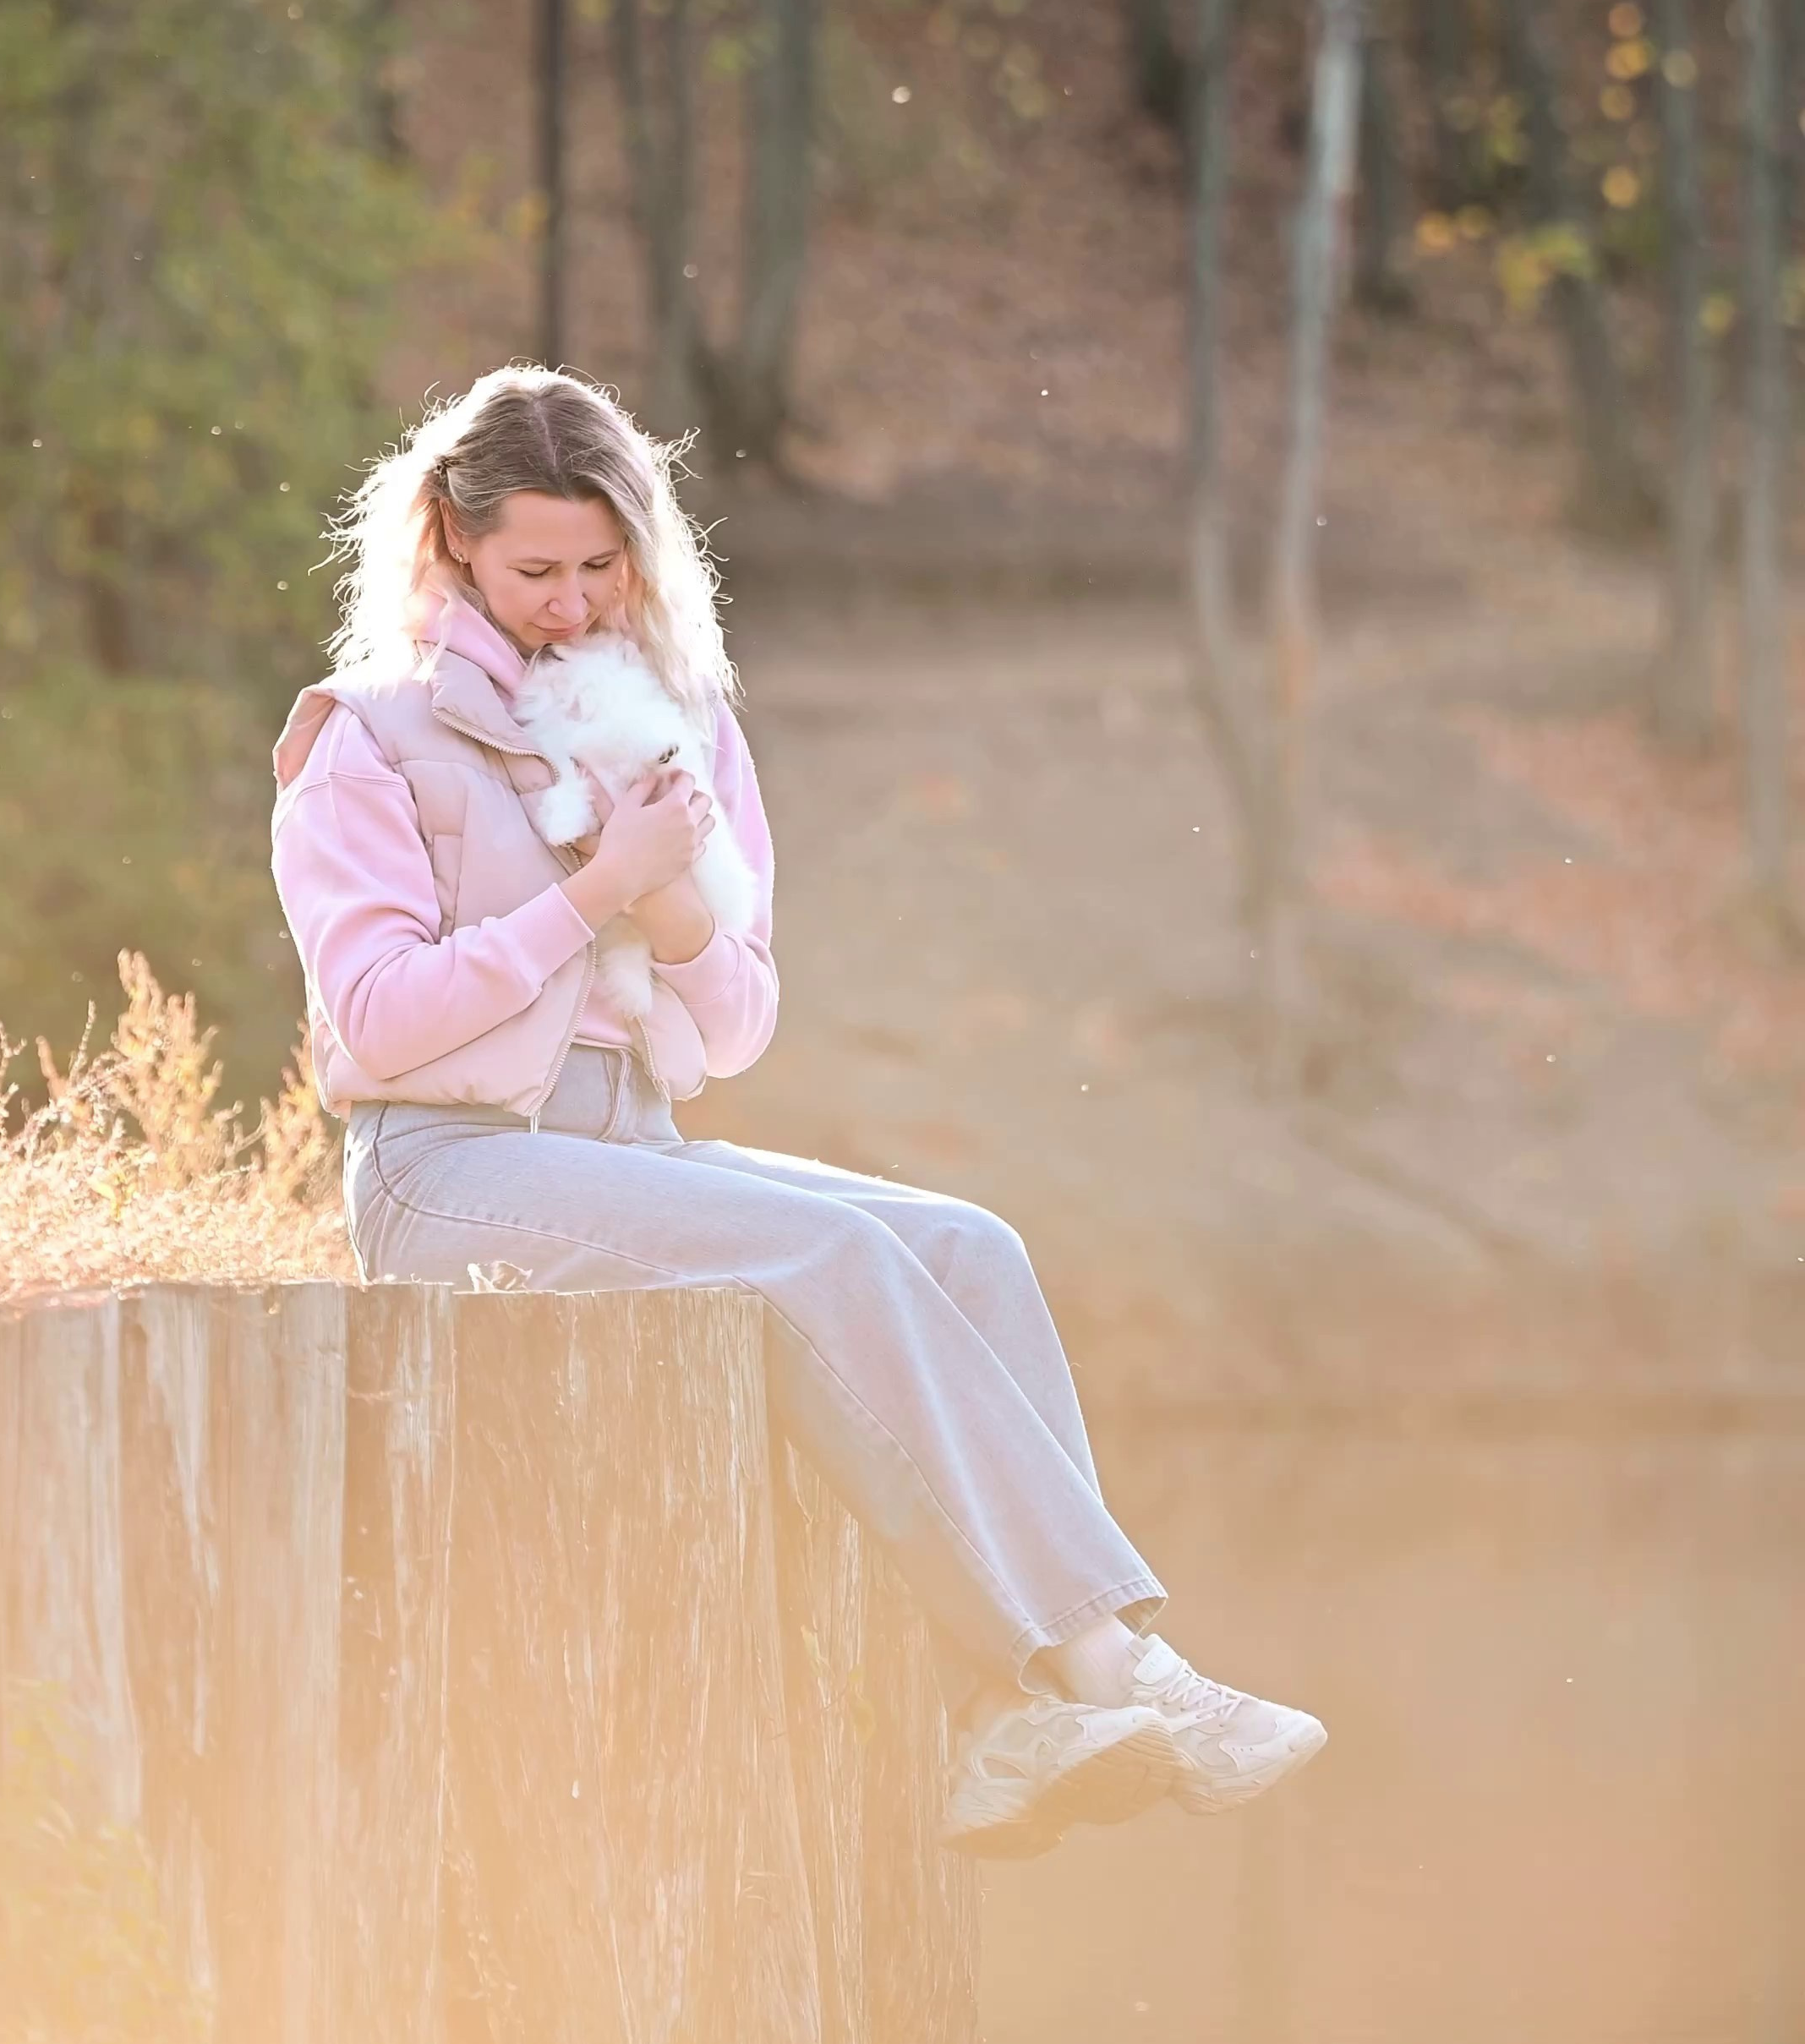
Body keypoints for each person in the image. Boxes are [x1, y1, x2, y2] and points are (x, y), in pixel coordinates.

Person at [271, 363, 1325, 1857]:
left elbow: (737, 1026)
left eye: (599, 565)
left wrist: (682, 910)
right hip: (449, 1170)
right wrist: (595, 893)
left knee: (971, 1248)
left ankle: (1013, 1715)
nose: (572, 603)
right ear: (449, 542)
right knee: (827, 1262)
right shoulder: (364, 737)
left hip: (633, 1147)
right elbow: (376, 1016)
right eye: (534, 571)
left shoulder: (667, 714)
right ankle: (1103, 1672)